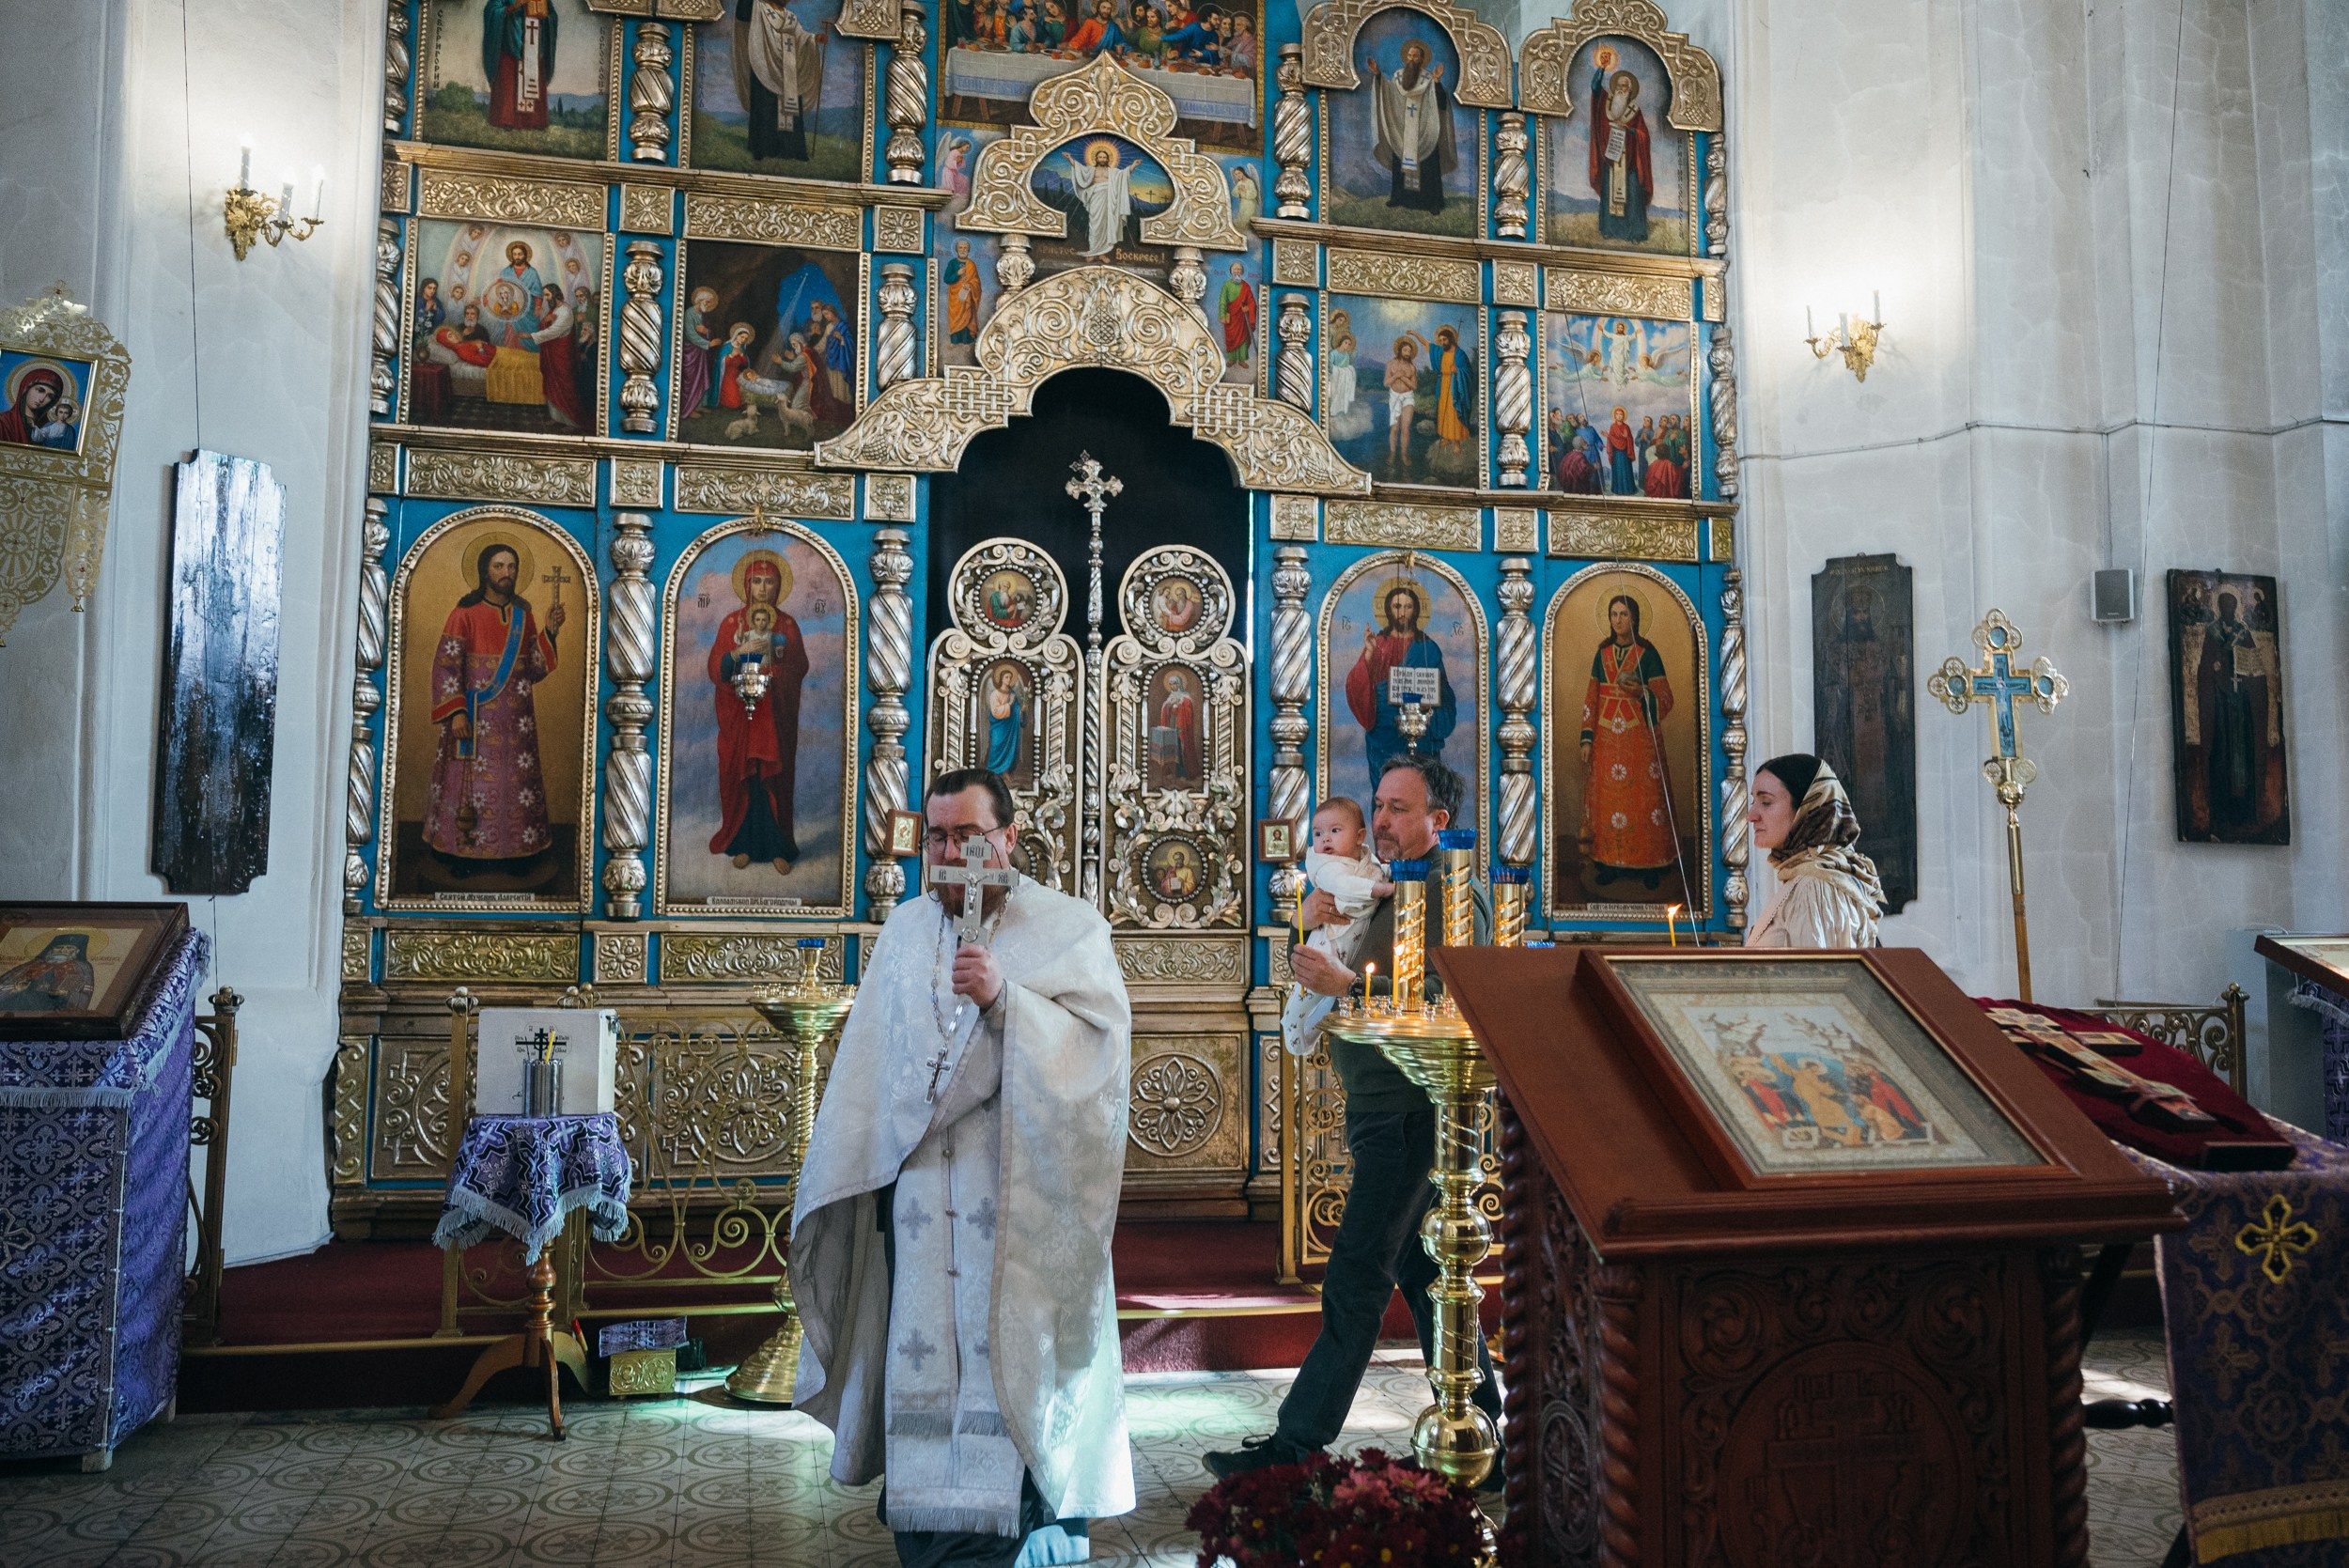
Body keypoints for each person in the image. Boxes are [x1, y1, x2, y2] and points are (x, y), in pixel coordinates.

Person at [792, 768, 1135, 1568]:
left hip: (1020, 1201)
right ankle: (927, 1521)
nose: (949, 853)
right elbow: (870, 1071)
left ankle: (1026, 1514)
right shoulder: (905, 932)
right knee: (922, 1357)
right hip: (917, 1200)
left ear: (1007, 839)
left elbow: (1100, 1052)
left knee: (1008, 1355)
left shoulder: (1069, 927)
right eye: (936, 837)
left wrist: (1007, 999)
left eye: (967, 837)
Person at [1206, 754, 1503, 1486]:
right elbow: (1324, 965)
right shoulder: (1376, 887)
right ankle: (1484, 1437)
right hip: (1382, 1103)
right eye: (1378, 804)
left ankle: (1297, 1446)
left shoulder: (1449, 889)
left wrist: (1344, 989)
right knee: (1428, 1272)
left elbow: (1457, 992)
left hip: (1414, 1107)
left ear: (1439, 819)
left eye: (1400, 808)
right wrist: (1303, 932)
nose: (1381, 820)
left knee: (1355, 1277)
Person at [424, 541, 565, 874]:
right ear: (484, 570)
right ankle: (461, 853)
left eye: (511, 567)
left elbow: (533, 669)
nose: (506, 573)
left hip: (516, 724)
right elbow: (446, 666)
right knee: (467, 785)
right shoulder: (463, 615)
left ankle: (518, 852)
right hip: (473, 718)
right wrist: (457, 711)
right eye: (499, 566)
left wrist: (551, 632)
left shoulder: (523, 615)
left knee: (515, 786)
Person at [709, 554, 809, 873]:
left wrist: (776, 673)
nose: (762, 588)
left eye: (769, 582)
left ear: (778, 586)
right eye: (756, 581)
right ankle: (744, 845)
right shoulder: (732, 623)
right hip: (742, 717)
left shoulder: (787, 625)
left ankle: (778, 847)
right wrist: (736, 656)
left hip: (774, 720)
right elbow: (717, 669)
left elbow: (798, 667)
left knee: (774, 777)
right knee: (746, 777)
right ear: (746, 584)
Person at [1578, 592, 1677, 891]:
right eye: (1614, 614)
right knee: (1610, 801)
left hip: (1639, 739)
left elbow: (1666, 698)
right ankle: (1608, 862)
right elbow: (1592, 698)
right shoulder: (1603, 653)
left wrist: (1640, 693)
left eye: (1624, 614)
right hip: (1607, 739)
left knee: (1645, 801)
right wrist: (1586, 739)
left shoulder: (1648, 654)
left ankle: (1651, 865)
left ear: (1634, 618)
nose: (1618, 620)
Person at [1278, 798, 1390, 1057]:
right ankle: (1294, 1034)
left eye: (1335, 831)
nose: (1325, 839)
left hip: (1351, 951)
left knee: (1325, 1001)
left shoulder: (1367, 861)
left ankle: (1307, 1033)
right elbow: (1345, 886)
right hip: (1328, 941)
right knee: (1306, 996)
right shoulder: (1325, 866)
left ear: (1359, 836)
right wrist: (1381, 889)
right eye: (1318, 833)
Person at [1743, 753, 1886, 947]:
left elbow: (1818, 975)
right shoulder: (1807, 879)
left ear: (1807, 809)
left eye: (1766, 802)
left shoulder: (1815, 886)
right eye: (1754, 802)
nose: (1751, 816)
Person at [1344, 580, 1455, 795]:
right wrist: (1369, 655)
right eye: (1397, 606)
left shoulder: (1427, 648)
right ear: (1388, 609)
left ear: (1416, 610)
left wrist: (1430, 705)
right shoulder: (1379, 643)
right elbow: (1357, 685)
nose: (1402, 612)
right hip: (1385, 734)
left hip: (1422, 734)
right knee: (1388, 794)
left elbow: (1444, 695)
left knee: (1424, 794)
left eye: (1408, 606)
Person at [1367, 39, 1457, 214]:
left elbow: (1440, 103)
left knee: (1429, 166)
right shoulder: (1399, 77)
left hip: (1425, 130)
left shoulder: (1429, 79)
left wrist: (1437, 82)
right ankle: (1399, 198)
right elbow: (1388, 93)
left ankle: (1432, 203)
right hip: (1403, 129)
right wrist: (1378, 75)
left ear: (1422, 60)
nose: (1411, 59)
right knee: (1400, 162)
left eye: (1415, 56)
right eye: (1409, 55)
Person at [736, 0, 828, 163]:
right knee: (766, 108)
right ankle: (763, 148)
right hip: (765, 66)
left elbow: (800, 37)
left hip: (788, 71)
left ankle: (792, 150)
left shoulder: (790, 17)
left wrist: (815, 39)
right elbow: (742, 14)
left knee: (790, 110)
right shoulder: (759, 8)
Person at [1589, 50, 1655, 243]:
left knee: (1633, 198)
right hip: (1610, 159)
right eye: (1619, 85)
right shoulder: (1606, 102)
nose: (1621, 89)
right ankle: (1609, 230)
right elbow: (1594, 87)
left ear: (1630, 90)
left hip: (1630, 161)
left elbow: (1644, 135)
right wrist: (1602, 67)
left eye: (1625, 87)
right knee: (1610, 196)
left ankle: (1635, 234)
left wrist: (1631, 131)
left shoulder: (1635, 111)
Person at [482, 0, 559, 132]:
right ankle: (506, 121)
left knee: (534, 79)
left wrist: (546, 17)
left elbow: (552, 15)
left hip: (534, 44)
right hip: (510, 43)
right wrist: (513, 7)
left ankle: (535, 121)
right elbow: (492, 10)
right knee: (509, 82)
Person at [529, 285, 588, 429]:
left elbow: (554, 331)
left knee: (566, 386)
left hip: (562, 356)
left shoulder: (565, 311)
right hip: (553, 355)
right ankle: (557, 418)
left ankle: (573, 422)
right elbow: (545, 325)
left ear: (555, 295)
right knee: (552, 384)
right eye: (544, 295)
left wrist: (530, 336)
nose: (545, 298)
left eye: (547, 295)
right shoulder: (555, 310)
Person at [1064, 142, 1131, 257]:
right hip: (1095, 197)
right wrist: (1070, 158)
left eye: (1104, 157)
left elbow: (1124, 174)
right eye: (1100, 157)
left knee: (1107, 223)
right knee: (1095, 224)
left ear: (1108, 159)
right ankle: (1093, 251)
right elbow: (1079, 168)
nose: (1102, 159)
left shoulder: (1113, 172)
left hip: (1109, 200)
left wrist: (1133, 165)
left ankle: (1103, 253)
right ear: (1096, 158)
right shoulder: (1091, 170)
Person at [0, 933, 97, 1013]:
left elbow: (78, 994)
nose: (64, 951)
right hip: (19, 1011)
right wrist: (15, 989)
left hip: (50, 1014)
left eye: (69, 948)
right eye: (59, 948)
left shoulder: (77, 967)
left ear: (77, 952)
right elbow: (5, 985)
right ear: (51, 950)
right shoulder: (33, 965)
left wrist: (62, 993)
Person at [0, 365, 68, 446]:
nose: (42, 399)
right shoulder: (4, 422)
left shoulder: (49, 427)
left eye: (50, 396)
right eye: (40, 390)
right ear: (26, 388)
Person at [1383, 332, 1424, 467]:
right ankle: (1392, 454)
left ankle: (1404, 455)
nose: (1407, 353)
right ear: (1400, 350)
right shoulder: (1391, 364)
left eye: (1409, 351)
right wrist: (1395, 376)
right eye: (1405, 350)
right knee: (1395, 428)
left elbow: (1414, 386)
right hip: (1394, 397)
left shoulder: (1412, 367)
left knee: (1405, 428)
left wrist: (1402, 377)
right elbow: (1386, 383)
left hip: (1408, 398)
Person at [678, 286, 720, 413]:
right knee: (691, 380)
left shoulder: (702, 315)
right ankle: (689, 409)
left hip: (700, 352)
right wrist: (709, 344)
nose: (708, 305)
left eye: (710, 303)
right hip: (691, 352)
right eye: (707, 302)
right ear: (699, 300)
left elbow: (706, 331)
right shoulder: (689, 313)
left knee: (701, 377)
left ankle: (699, 405)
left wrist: (706, 331)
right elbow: (690, 334)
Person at [986, 665, 1026, 775]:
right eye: (1006, 677)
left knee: (1009, 749)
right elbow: (995, 711)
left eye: (1010, 677)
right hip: (998, 726)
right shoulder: (995, 694)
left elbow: (1016, 709)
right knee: (996, 746)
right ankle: (992, 772)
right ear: (1001, 679)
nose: (1008, 680)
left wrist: (1021, 710)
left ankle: (1005, 773)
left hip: (1010, 727)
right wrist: (1009, 704)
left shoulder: (1012, 694)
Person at [944, 240, 984, 348]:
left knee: (967, 314)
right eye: (960, 248)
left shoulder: (971, 264)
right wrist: (957, 273)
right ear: (956, 249)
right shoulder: (952, 263)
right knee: (955, 316)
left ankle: (967, 341)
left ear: (969, 250)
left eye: (965, 248)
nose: (963, 250)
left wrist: (970, 285)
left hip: (968, 295)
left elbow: (976, 282)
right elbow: (947, 279)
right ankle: (955, 341)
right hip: (955, 296)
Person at [1217, 262, 1254, 369]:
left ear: (1242, 271)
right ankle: (1232, 359)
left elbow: (1251, 301)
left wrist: (1248, 308)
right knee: (1231, 337)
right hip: (1231, 316)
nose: (1237, 271)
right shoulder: (1227, 285)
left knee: (1243, 338)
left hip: (1242, 317)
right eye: (1235, 269)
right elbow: (1222, 300)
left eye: (1239, 269)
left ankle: (1242, 360)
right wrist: (1222, 314)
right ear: (1231, 271)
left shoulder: (1246, 286)